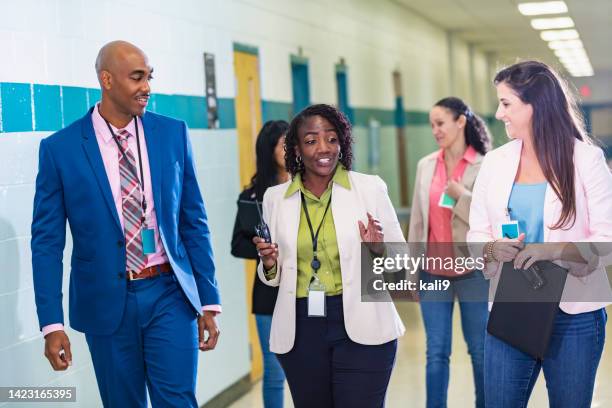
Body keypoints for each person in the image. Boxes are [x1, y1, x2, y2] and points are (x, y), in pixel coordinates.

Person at [31, 41, 221, 407]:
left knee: (179, 400)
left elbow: (193, 220)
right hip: (106, 302)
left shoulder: (172, 134)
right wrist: (52, 324)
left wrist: (209, 299)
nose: (147, 86)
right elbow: (46, 243)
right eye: (137, 77)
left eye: (149, 76)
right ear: (106, 80)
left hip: (169, 291)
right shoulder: (61, 148)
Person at [468, 60, 612, 407]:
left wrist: (552, 250)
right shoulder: (496, 161)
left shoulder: (586, 160)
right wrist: (491, 248)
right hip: (512, 305)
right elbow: (476, 233)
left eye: (506, 104)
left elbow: (606, 240)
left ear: (537, 105)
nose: (499, 114)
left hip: (573, 314)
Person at [253, 104, 405, 407]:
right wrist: (269, 264)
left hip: (365, 326)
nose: (323, 148)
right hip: (301, 328)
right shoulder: (275, 199)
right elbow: (274, 276)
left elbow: (401, 270)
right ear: (296, 148)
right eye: (311, 141)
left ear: (343, 142)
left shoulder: (369, 189)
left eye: (332, 139)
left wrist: (377, 250)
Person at [408, 97, 492, 408]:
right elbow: (418, 221)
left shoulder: (485, 165)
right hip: (432, 272)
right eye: (432, 125)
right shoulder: (426, 165)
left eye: (440, 123)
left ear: (460, 122)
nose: (435, 130)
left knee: (480, 350)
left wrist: (461, 195)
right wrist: (412, 272)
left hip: (473, 272)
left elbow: (489, 219)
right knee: (436, 352)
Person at [231, 120, 289, 408]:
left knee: (312, 366)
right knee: (275, 369)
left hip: (307, 289)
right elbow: (236, 245)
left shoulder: (307, 188)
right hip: (268, 293)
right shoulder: (252, 197)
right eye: (283, 144)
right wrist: (264, 250)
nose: (291, 149)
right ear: (269, 150)